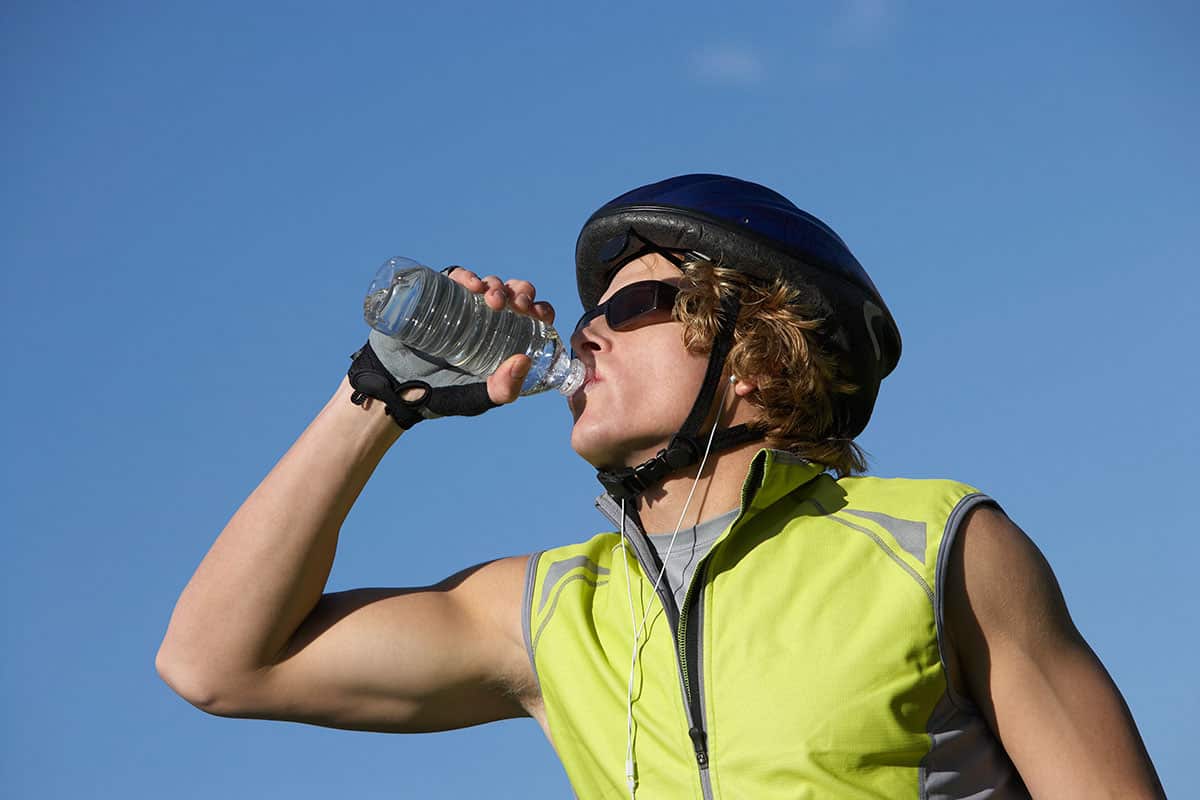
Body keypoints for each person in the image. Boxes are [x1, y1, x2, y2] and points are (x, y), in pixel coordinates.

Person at [157, 174, 1165, 798]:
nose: (584, 329)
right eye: (588, 311)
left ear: (756, 355)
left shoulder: (938, 540)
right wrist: (379, 395)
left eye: (631, 303)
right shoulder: (550, 608)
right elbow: (216, 663)